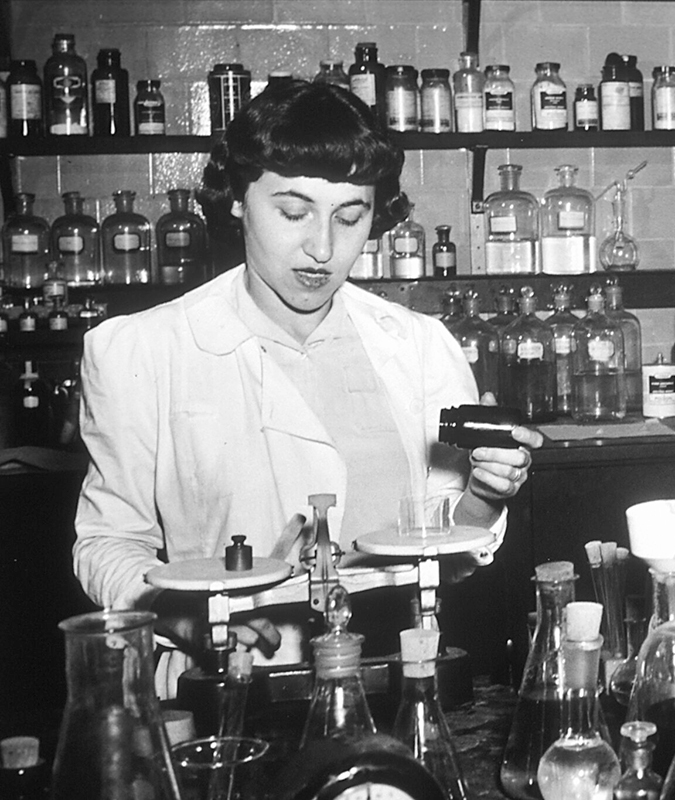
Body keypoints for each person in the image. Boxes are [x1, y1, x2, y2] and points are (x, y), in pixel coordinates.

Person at [73, 80, 542, 694]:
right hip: (226, 680)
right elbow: (109, 543)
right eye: (293, 213)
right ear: (238, 198)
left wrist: (484, 493)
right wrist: (179, 615)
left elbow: (449, 550)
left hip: (398, 671)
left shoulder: (420, 344)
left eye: (351, 217)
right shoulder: (139, 349)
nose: (322, 248)